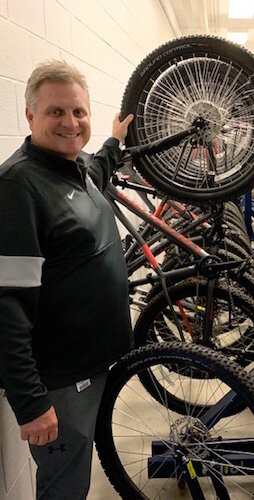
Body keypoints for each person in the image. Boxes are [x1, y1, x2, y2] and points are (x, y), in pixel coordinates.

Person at [0, 60, 134, 499]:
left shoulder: (73, 168)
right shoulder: (19, 188)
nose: (70, 123)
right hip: (61, 382)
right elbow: (6, 306)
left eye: (79, 112)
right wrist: (32, 404)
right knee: (65, 487)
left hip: (91, 366)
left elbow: (100, 166)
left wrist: (115, 140)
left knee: (77, 474)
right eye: (56, 112)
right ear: (30, 116)